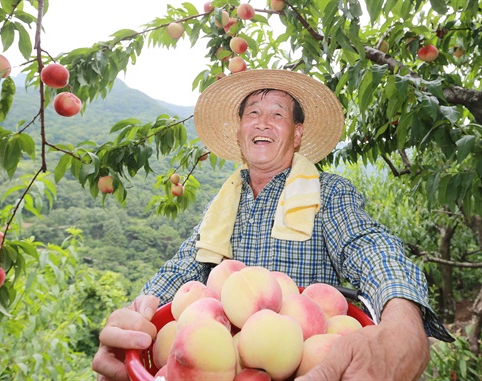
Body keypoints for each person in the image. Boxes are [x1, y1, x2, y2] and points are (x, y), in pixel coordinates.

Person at [92, 69, 453, 381]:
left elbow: (368, 245)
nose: (262, 122)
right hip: (223, 363)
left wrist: (403, 324)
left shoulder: (327, 193)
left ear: (297, 134)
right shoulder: (222, 206)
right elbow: (186, 266)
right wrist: (136, 318)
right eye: (253, 113)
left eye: (277, 114)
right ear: (239, 131)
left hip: (308, 363)